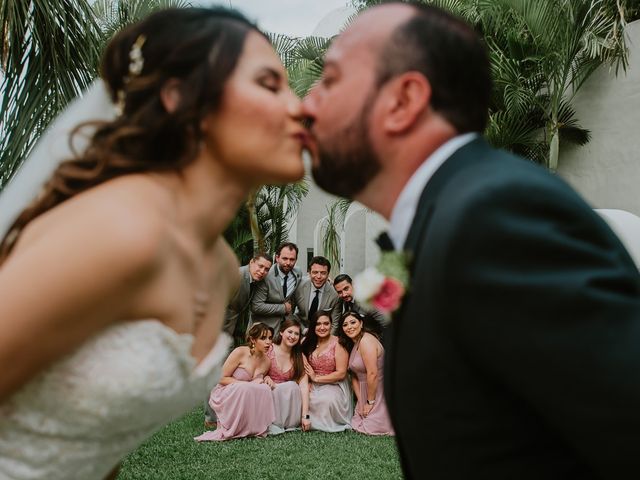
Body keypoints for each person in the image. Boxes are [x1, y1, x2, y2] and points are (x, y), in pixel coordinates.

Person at [302, 2, 640, 479]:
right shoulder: (429, 228)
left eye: (331, 80)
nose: (307, 104)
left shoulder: (497, 215)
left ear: (403, 100)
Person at [0, 6, 307, 479]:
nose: (299, 107)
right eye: (268, 85)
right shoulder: (122, 231)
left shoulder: (221, 268)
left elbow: (98, 440)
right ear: (180, 98)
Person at [204, 251, 272, 426]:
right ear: (251, 262)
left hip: (231, 331)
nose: (262, 271)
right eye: (260, 266)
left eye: (266, 269)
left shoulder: (256, 281)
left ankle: (225, 412)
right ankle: (211, 418)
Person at [195, 323, 275, 441]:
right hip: (225, 392)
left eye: (270, 338)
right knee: (244, 388)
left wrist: (267, 378)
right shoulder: (240, 352)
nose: (268, 342)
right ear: (253, 339)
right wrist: (244, 384)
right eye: (263, 338)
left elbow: (258, 383)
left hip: (245, 397)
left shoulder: (267, 362)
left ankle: (254, 426)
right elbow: (221, 378)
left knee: (264, 389)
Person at [339, 312, 393, 436]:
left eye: (353, 322)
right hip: (367, 392)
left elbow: (373, 373)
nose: (349, 327)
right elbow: (354, 375)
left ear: (361, 323)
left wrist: (370, 403)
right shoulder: (355, 343)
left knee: (371, 428)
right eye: (345, 325)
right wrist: (361, 401)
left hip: (379, 390)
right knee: (356, 423)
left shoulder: (366, 341)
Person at [301, 311, 352, 432]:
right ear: (313, 326)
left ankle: (322, 423)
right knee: (302, 396)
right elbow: (300, 363)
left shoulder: (338, 343)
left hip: (334, 383)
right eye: (318, 324)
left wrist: (316, 378)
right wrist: (308, 381)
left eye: (326, 324)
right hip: (311, 383)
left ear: (331, 325)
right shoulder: (306, 342)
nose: (322, 327)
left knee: (326, 399)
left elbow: (341, 373)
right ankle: (304, 419)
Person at [263, 316, 309, 434]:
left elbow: (304, 388)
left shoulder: (299, 357)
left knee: (292, 386)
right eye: (290, 332)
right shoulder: (269, 349)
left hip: (287, 402)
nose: (292, 336)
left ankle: (287, 421)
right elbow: (254, 371)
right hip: (268, 395)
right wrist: (265, 377)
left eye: (296, 334)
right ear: (281, 332)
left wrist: (305, 417)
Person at [251, 242, 302, 332]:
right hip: (263, 329)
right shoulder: (266, 275)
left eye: (292, 259)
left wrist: (327, 281)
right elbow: (256, 306)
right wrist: (283, 308)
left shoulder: (298, 273)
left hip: (284, 330)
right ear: (277, 258)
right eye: (285, 258)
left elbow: (306, 280)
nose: (288, 263)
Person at [291, 255, 340, 329]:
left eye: (323, 273)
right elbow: (289, 314)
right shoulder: (298, 286)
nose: (319, 276)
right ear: (309, 273)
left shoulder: (335, 295)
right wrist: (302, 331)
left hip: (323, 332)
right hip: (300, 329)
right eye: (315, 272)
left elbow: (335, 324)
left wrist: (327, 340)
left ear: (328, 274)